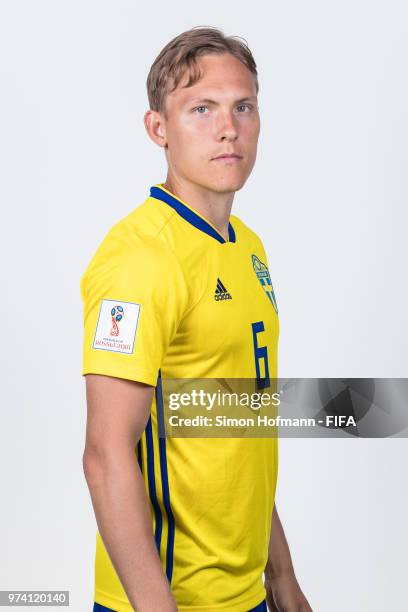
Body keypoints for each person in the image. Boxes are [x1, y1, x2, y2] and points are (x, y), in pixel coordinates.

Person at [80, 26, 313, 612]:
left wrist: (282, 579)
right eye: (201, 108)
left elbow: (239, 431)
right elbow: (106, 453)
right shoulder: (140, 258)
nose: (228, 127)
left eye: (243, 107)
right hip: (166, 599)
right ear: (159, 128)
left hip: (244, 594)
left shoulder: (248, 247)